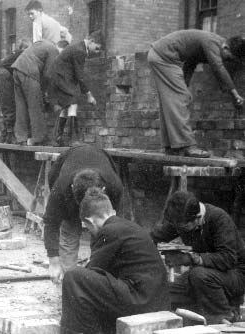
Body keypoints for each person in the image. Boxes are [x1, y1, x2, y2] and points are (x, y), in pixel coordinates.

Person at [61, 187, 169, 334]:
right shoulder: (127, 225)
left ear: (90, 221)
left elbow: (90, 273)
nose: (89, 231)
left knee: (73, 278)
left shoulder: (109, 231)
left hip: (140, 299)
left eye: (87, 227)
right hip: (154, 299)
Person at [151, 191, 245, 324]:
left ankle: (226, 315)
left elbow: (228, 258)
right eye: (177, 227)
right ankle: (197, 312)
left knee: (198, 275)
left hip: (236, 274)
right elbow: (155, 236)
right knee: (164, 291)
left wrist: (190, 258)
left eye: (182, 227)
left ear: (198, 217)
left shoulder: (219, 219)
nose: (178, 230)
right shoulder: (182, 220)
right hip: (207, 274)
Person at [148, 30, 245, 158]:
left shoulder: (210, 45)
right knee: (180, 99)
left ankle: (171, 147)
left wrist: (185, 84)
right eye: (228, 57)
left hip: (161, 56)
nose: (226, 61)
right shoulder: (212, 42)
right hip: (165, 58)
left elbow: (190, 62)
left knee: (171, 102)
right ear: (225, 47)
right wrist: (235, 94)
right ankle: (188, 146)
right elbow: (218, 67)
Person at [43, 144, 123, 283]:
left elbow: (114, 226)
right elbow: (51, 223)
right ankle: (70, 284)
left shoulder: (114, 185)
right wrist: (54, 262)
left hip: (100, 159)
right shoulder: (61, 187)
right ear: (73, 187)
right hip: (68, 188)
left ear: (102, 190)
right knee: (69, 232)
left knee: (102, 231)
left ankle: (97, 281)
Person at [49, 31, 102, 146]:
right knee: (73, 103)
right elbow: (80, 76)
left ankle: (57, 139)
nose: (96, 51)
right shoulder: (80, 51)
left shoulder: (79, 48)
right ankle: (74, 140)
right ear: (91, 41)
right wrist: (89, 95)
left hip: (59, 77)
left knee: (66, 106)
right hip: (61, 77)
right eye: (97, 48)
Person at [11, 40, 64, 145]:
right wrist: (46, 93)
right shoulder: (54, 50)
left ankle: (21, 138)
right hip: (29, 72)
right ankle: (38, 138)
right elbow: (48, 75)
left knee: (21, 106)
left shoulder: (42, 43)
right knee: (35, 106)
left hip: (16, 69)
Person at [0, 39, 30, 144]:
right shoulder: (23, 53)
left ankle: (5, 135)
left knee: (6, 107)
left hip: (1, 75)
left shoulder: (14, 55)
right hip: (5, 76)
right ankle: (10, 135)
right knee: (9, 106)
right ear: (25, 48)